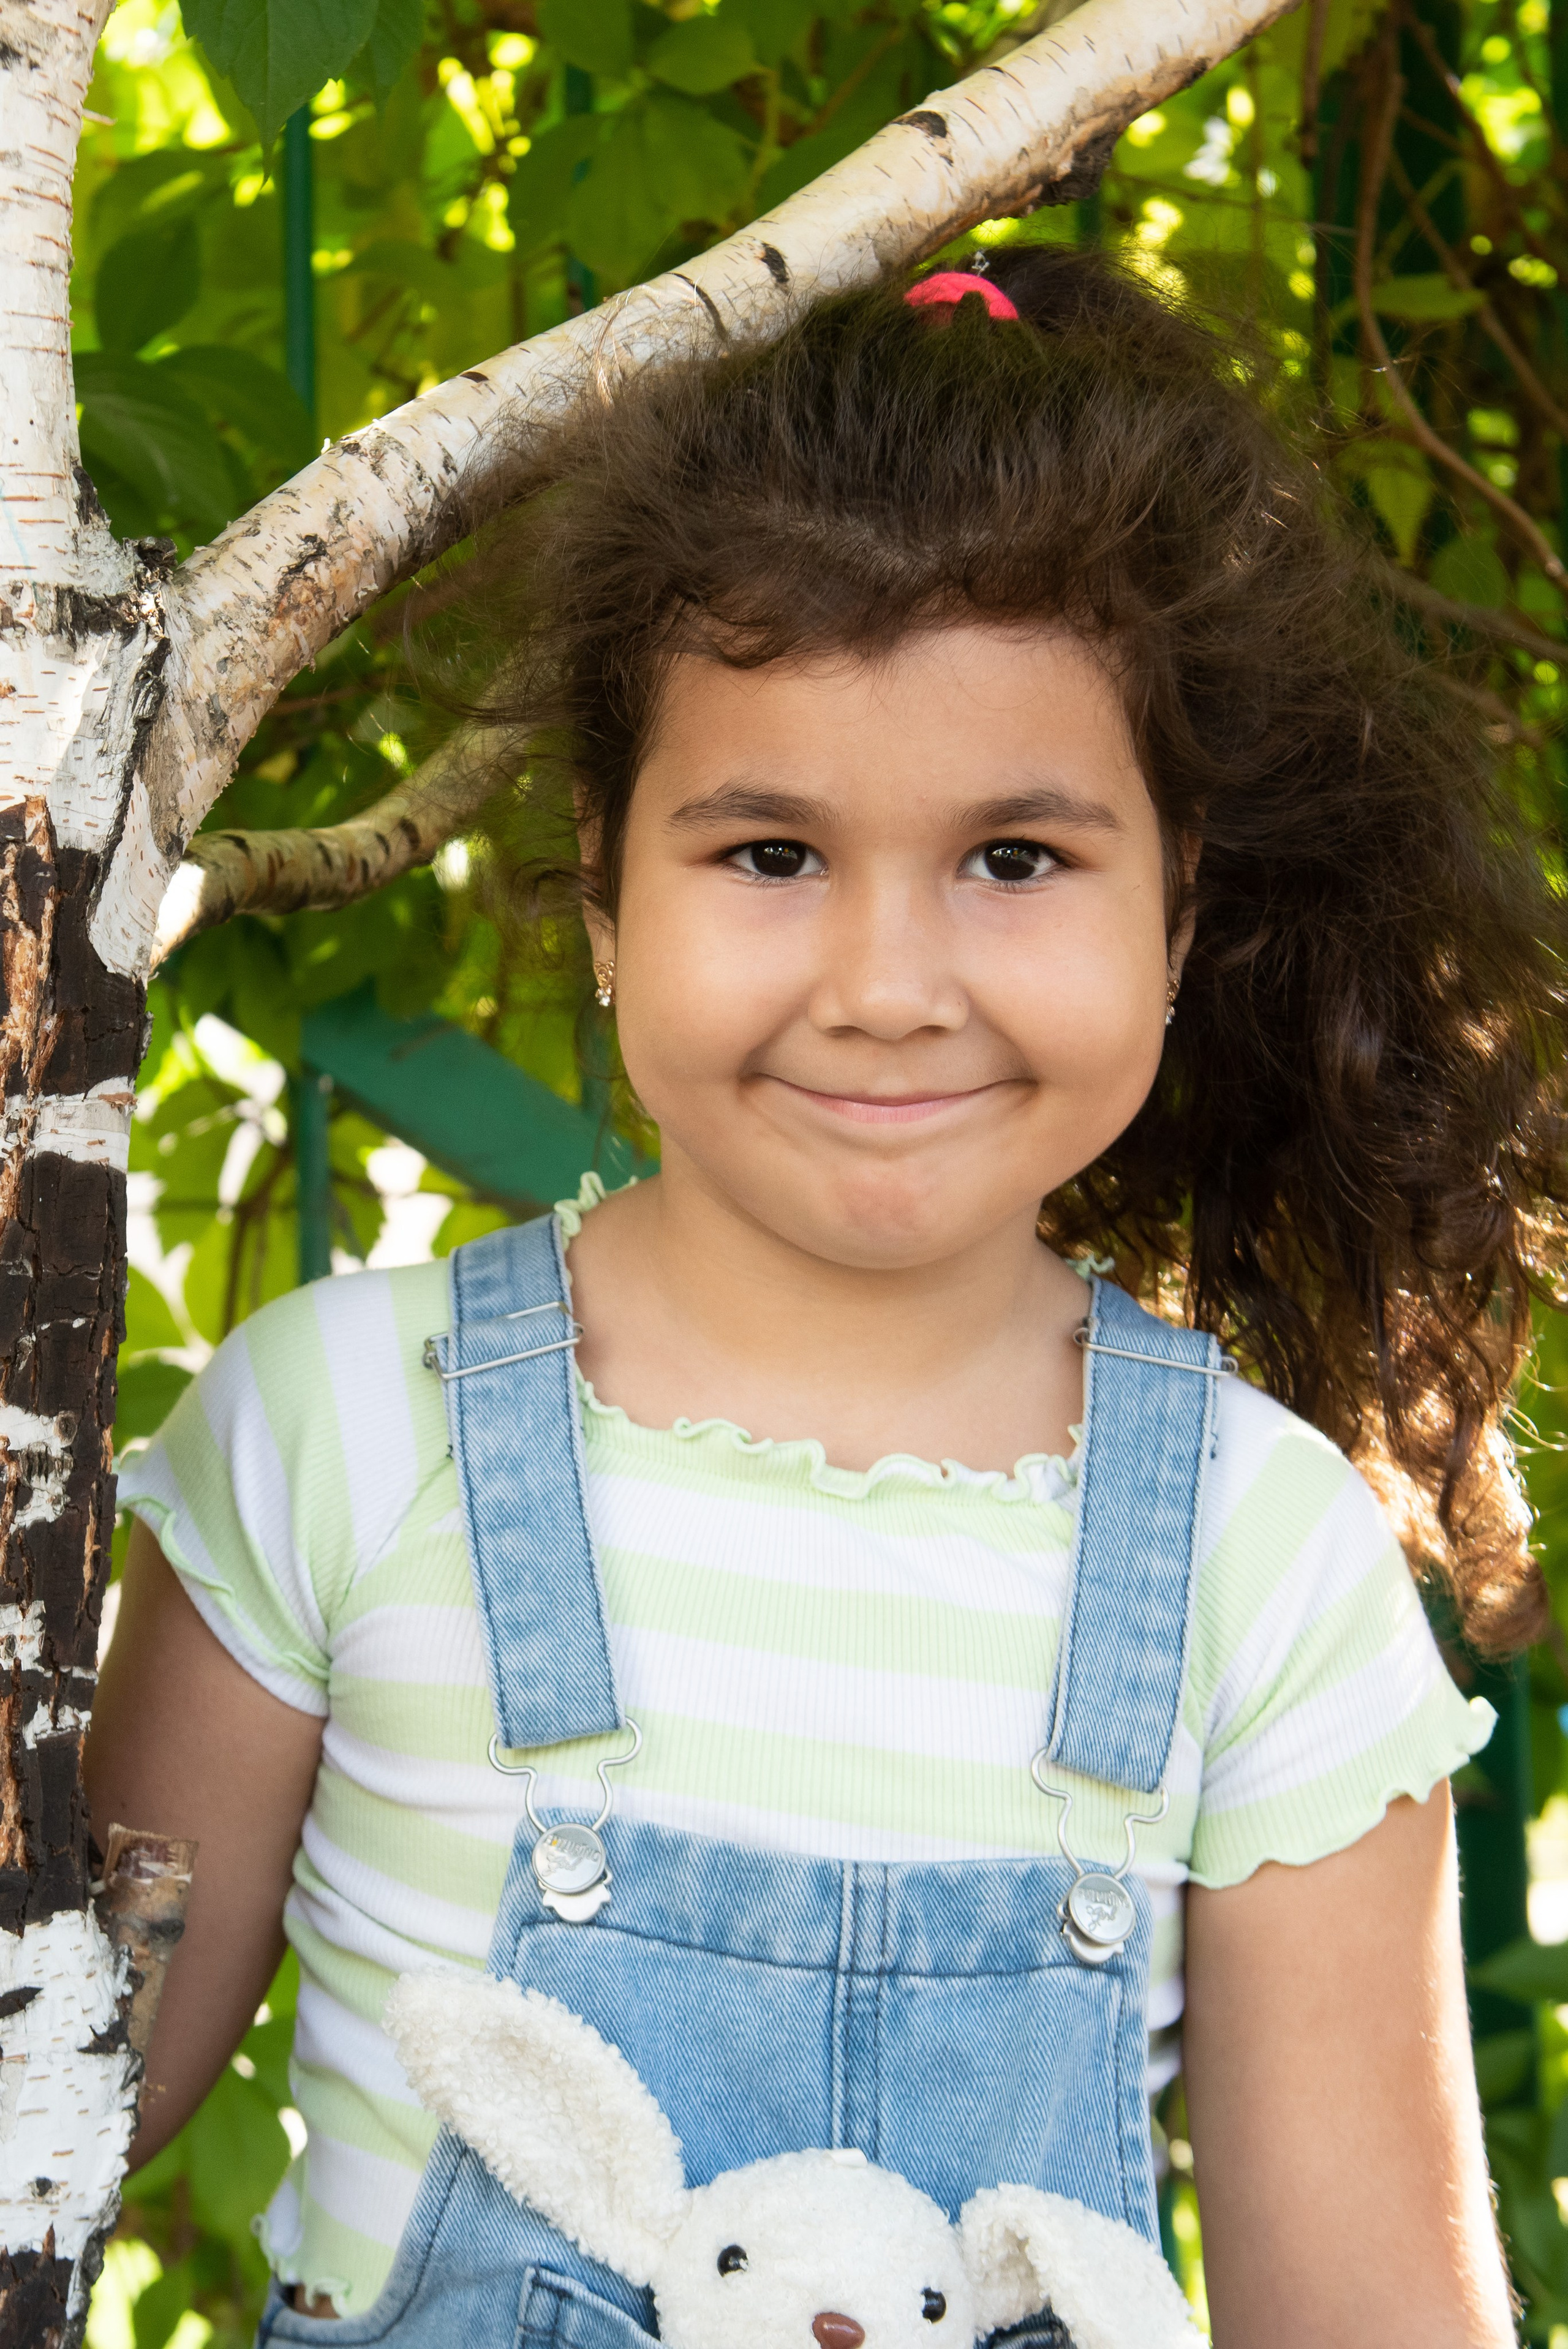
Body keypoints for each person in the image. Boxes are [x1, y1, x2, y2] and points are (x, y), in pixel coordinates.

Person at [88, 247, 1562, 2349]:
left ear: (1183, 903)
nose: (885, 986)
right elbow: (48, 2116)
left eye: (1018, 858)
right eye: (769, 852)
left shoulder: (1263, 1560)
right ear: (603, 882)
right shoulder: (336, 1429)